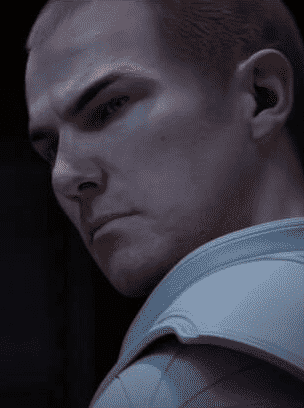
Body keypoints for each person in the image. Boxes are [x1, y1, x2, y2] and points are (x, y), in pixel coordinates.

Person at [24, 0, 304, 406]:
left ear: (262, 94)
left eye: (108, 108)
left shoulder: (162, 391)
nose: (63, 175)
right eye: (51, 149)